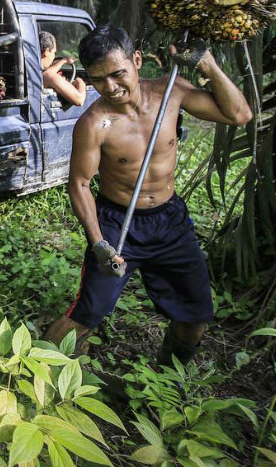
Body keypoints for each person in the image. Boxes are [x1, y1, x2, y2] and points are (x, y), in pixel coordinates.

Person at [45, 25, 252, 365]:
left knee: (195, 315)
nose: (109, 88)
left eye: (117, 74)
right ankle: (44, 376)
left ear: (137, 60)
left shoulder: (171, 93)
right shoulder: (94, 123)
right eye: (98, 80)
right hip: (117, 223)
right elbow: (80, 184)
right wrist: (98, 243)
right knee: (86, 314)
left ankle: (167, 377)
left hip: (170, 222)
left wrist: (208, 65)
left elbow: (239, 115)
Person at [40, 31, 87, 106]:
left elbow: (47, 73)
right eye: (54, 53)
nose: (54, 57)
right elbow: (79, 100)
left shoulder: (33, 72)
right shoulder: (48, 76)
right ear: (47, 52)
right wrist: (80, 82)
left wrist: (63, 61)